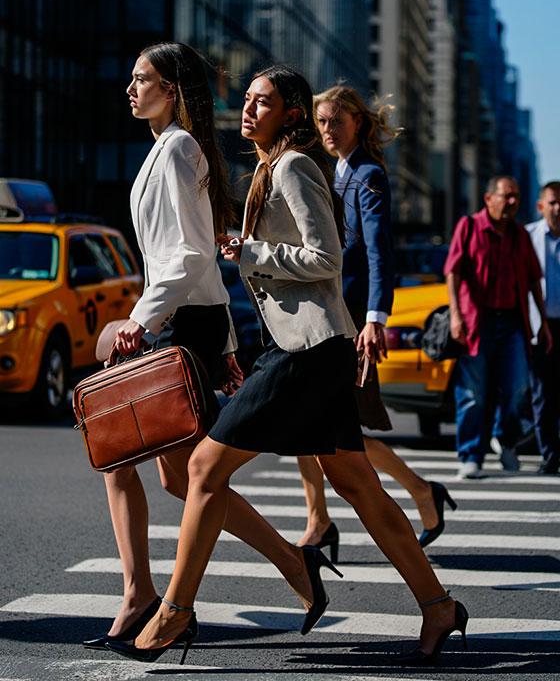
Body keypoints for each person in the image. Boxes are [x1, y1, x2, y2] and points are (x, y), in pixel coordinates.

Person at [106, 66, 467, 667]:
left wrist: (250, 252)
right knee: (359, 488)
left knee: (202, 467)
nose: (248, 110)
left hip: (308, 351)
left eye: (263, 102)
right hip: (304, 349)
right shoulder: (269, 168)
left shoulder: (295, 166)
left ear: (291, 114)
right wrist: (241, 247)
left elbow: (326, 258)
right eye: (246, 100)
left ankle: (174, 610)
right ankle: (437, 605)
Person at [83, 43, 333, 652]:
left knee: (170, 468)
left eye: (141, 79)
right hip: (183, 322)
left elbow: (192, 255)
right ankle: (149, 590)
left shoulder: (178, 149)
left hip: (174, 326)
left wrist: (144, 321)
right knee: (153, 469)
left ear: (171, 90)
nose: (130, 89)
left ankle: (161, 594)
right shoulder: (167, 148)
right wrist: (221, 340)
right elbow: (195, 261)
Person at [296, 86, 457, 556]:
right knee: (312, 422)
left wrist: (375, 318)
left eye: (336, 122)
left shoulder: (367, 174)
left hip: (348, 321)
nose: (327, 130)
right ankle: (322, 518)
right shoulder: (338, 170)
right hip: (327, 314)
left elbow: (378, 252)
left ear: (358, 123)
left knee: (335, 429)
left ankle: (418, 492)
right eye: (322, 122)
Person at [445, 175, 552, 480]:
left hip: (513, 323)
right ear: (488, 198)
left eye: (516, 196)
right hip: (476, 323)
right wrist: (455, 315)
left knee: (517, 389)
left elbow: (533, 279)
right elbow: (452, 271)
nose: (512, 202)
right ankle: (470, 455)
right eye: (506, 196)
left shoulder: (520, 234)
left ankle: (506, 442)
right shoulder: (469, 226)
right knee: (472, 393)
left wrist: (542, 321)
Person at [526, 181, 560, 475]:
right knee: (543, 393)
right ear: (541, 206)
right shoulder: (527, 236)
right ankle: (550, 454)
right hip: (541, 325)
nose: (558, 208)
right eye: (552, 202)